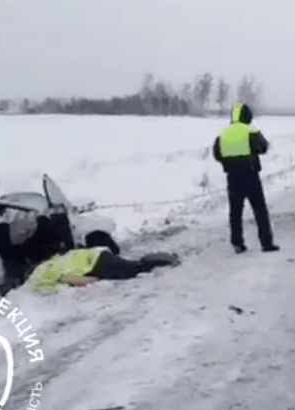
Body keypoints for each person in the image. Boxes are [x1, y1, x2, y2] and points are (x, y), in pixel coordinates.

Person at [213, 103, 279, 254]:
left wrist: (229, 161)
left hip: (232, 177)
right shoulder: (250, 130)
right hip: (250, 175)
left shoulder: (223, 132)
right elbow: (263, 147)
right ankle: (266, 243)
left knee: (235, 212)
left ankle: (237, 244)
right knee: (260, 210)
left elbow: (217, 154)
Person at [28, 245, 180, 292]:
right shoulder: (48, 265)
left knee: (135, 269)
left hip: (98, 263)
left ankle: (167, 259)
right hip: (97, 254)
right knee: (133, 266)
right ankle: (164, 256)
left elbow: (73, 279)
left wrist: (96, 280)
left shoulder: (45, 276)